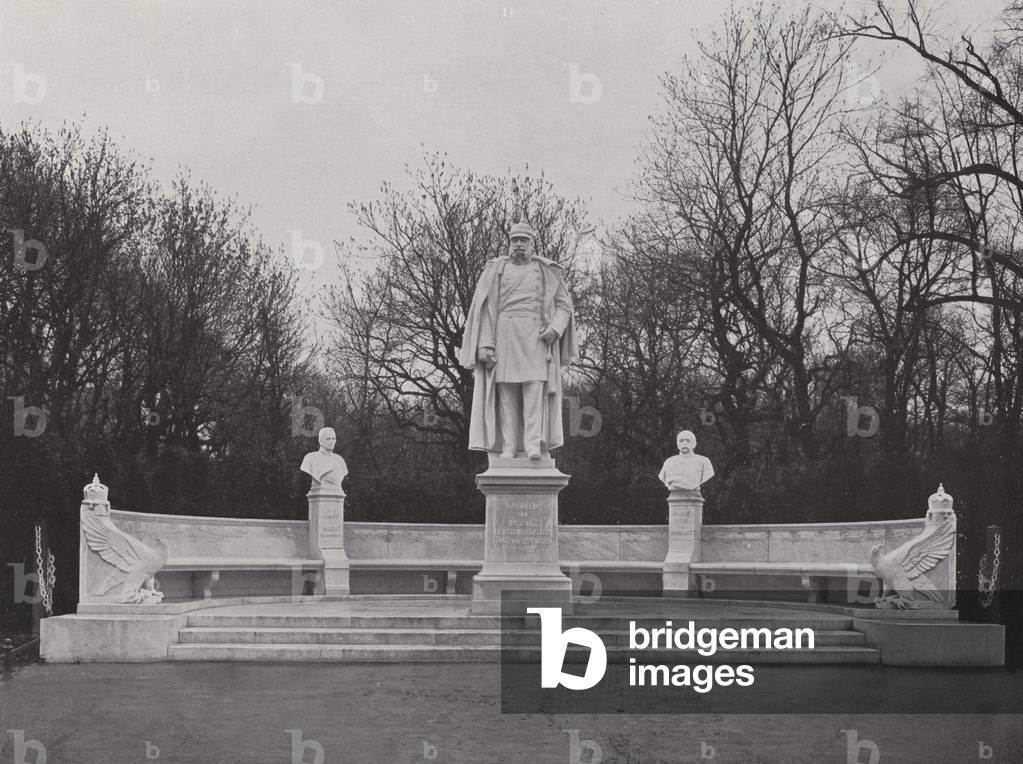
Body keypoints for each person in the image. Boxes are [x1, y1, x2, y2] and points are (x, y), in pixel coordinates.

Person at [459, 222, 578, 459]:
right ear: (510, 243)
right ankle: (509, 446)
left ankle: (533, 444)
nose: (519, 245)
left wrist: (555, 328)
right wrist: (484, 344)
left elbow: (564, 305)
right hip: (504, 334)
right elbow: (483, 309)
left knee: (534, 389)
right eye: (515, 241)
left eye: (524, 240)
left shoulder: (545, 270)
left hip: (536, 336)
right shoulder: (495, 269)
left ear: (532, 244)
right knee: (506, 392)